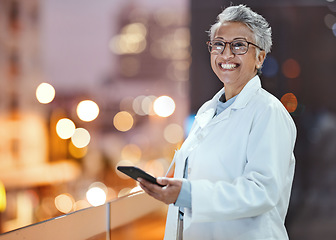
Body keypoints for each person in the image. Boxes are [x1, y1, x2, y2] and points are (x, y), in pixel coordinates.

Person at [138, 4, 296, 240]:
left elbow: (261, 191)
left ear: (260, 57)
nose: (226, 54)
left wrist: (188, 194)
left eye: (239, 45)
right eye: (219, 44)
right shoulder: (208, 111)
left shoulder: (268, 112)